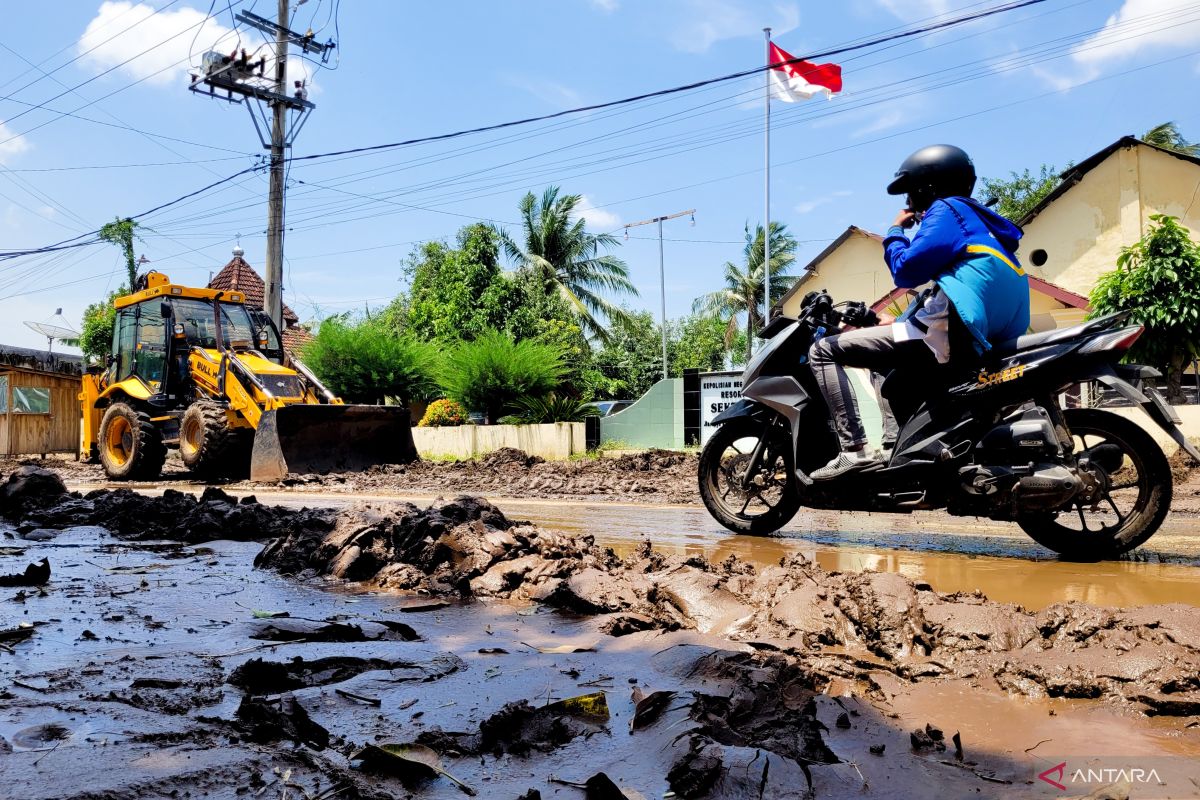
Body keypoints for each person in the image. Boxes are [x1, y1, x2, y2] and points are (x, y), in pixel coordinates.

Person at [808, 144, 1029, 480]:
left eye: (911, 194)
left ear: (929, 187)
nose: (909, 203)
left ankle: (854, 452)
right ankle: (899, 452)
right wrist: (878, 321)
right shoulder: (983, 225)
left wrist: (896, 230)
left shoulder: (948, 209)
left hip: (951, 333)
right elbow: (939, 298)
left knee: (822, 351)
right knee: (891, 380)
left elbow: (907, 269)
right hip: (976, 335)